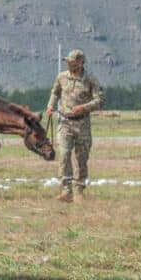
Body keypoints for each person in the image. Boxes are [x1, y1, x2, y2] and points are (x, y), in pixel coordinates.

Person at [46, 49, 105, 203]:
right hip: (65, 122)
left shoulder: (90, 80)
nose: (69, 64)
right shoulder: (62, 77)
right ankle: (66, 190)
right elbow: (55, 92)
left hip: (82, 124)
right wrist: (50, 106)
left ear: (80, 63)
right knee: (64, 155)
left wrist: (84, 107)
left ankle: (79, 190)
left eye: (72, 61)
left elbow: (100, 100)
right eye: (68, 61)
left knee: (81, 158)